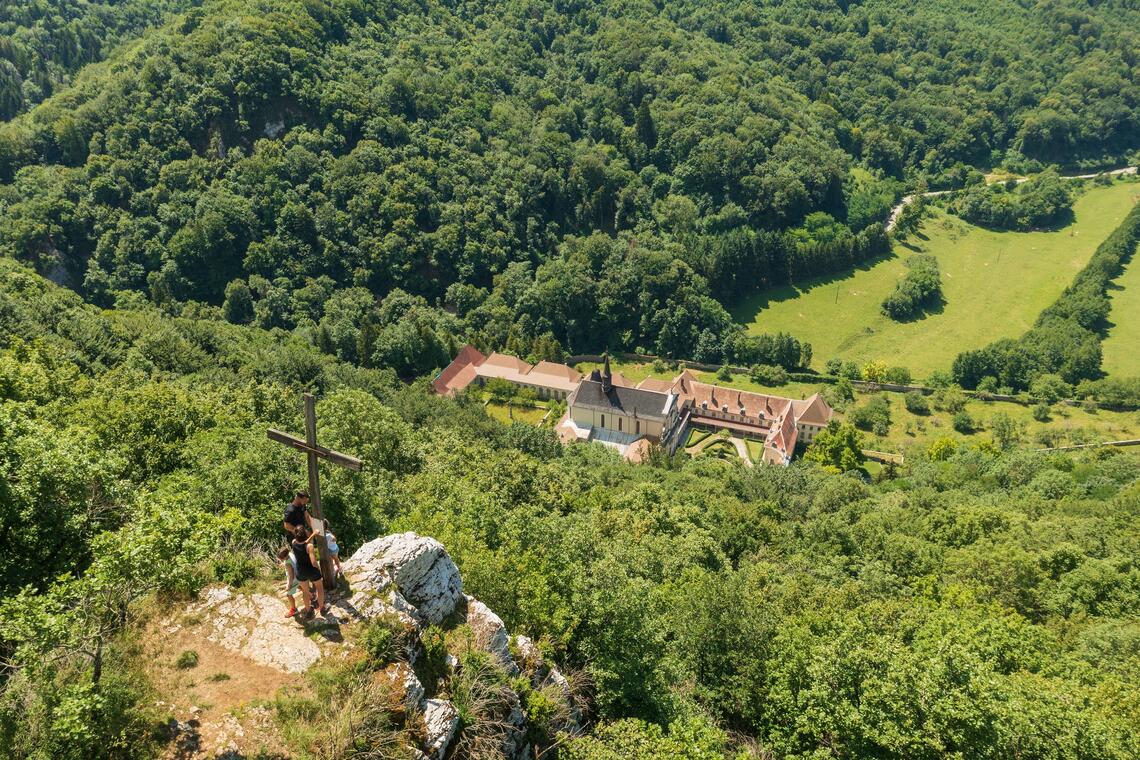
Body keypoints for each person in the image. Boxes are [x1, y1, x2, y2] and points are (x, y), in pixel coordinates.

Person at [291, 525, 328, 617]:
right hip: (312, 571)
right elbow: (314, 562)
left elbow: (303, 543)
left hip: (301, 571)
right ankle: (322, 608)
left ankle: (308, 611)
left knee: (305, 592)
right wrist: (318, 569)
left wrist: (313, 535)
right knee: (319, 589)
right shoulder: (310, 546)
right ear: (305, 533)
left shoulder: (293, 542)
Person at [278, 546, 300, 618]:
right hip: (299, 575)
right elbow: (290, 563)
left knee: (289, 595)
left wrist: (289, 586)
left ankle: (293, 609)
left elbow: (291, 576)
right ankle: (312, 597)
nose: (280, 559)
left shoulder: (287, 563)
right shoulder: (290, 554)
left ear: (284, 557)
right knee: (301, 587)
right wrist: (283, 564)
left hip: (294, 579)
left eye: (281, 558)